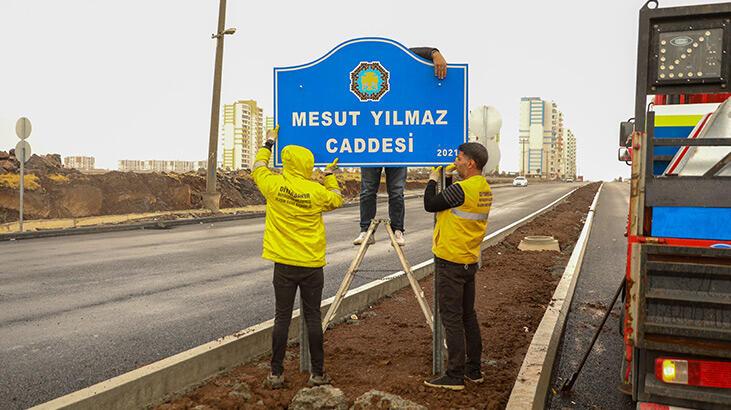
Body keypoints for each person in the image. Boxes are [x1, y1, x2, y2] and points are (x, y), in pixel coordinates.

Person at [252, 125, 343, 388]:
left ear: (288, 163)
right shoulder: (316, 192)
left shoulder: (273, 185)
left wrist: (269, 143)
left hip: (284, 265)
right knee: (313, 317)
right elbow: (336, 199)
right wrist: (328, 176)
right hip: (312, 265)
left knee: (282, 317)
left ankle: (276, 373)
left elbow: (258, 166)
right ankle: (317, 373)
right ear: (307, 165)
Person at [353, 47, 448, 247]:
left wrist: (434, 53)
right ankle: (365, 230)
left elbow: (415, 53)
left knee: (396, 191)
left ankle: (398, 229)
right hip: (369, 146)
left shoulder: (398, 58)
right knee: (367, 190)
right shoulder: (362, 63)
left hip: (398, 146)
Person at [422, 142, 492, 391]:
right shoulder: (482, 188)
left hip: (450, 260)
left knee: (451, 318)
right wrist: (450, 176)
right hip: (468, 260)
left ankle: (454, 375)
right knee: (467, 316)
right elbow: (453, 203)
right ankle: (474, 370)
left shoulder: (463, 189)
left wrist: (432, 179)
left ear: (470, 163)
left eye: (459, 157)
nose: (456, 159)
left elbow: (431, 203)